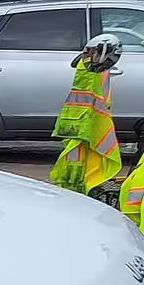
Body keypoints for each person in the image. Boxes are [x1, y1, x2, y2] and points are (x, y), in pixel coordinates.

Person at [49, 34, 123, 194]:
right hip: (86, 123)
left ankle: (77, 188)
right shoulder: (91, 68)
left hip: (82, 122)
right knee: (80, 163)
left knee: (77, 162)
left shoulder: (91, 66)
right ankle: (80, 188)